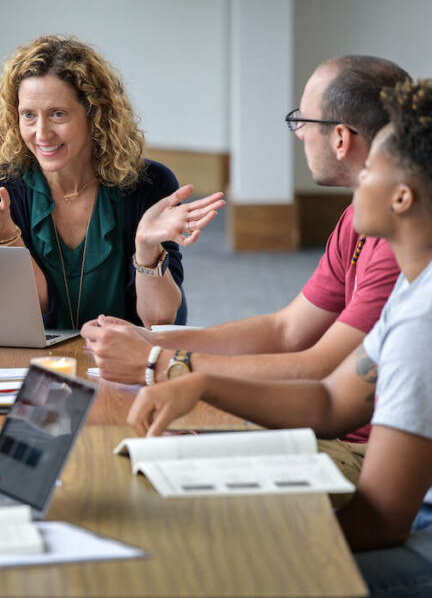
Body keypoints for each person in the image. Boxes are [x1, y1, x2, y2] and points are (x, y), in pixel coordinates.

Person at [127, 78, 432, 596]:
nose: (359, 182)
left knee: (216, 571)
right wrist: (201, 384)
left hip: (416, 537)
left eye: (372, 173)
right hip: (396, 516)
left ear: (402, 196)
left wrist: (244, 539)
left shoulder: (422, 322)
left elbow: (381, 521)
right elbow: (333, 400)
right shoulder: (413, 294)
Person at [83, 56, 411, 480]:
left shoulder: (395, 242)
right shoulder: (358, 218)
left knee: (145, 469)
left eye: (302, 121)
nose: (299, 134)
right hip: (328, 428)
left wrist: (159, 362)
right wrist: (152, 339)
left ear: (341, 139)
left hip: (360, 448)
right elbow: (286, 331)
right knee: (138, 451)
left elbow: (318, 369)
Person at [0, 35, 224, 329]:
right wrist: (4, 237)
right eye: (28, 115)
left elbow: (159, 321)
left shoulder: (149, 185)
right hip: (37, 351)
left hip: (122, 353)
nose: (41, 134)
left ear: (94, 114)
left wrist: (146, 248)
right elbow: (26, 313)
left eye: (58, 114)